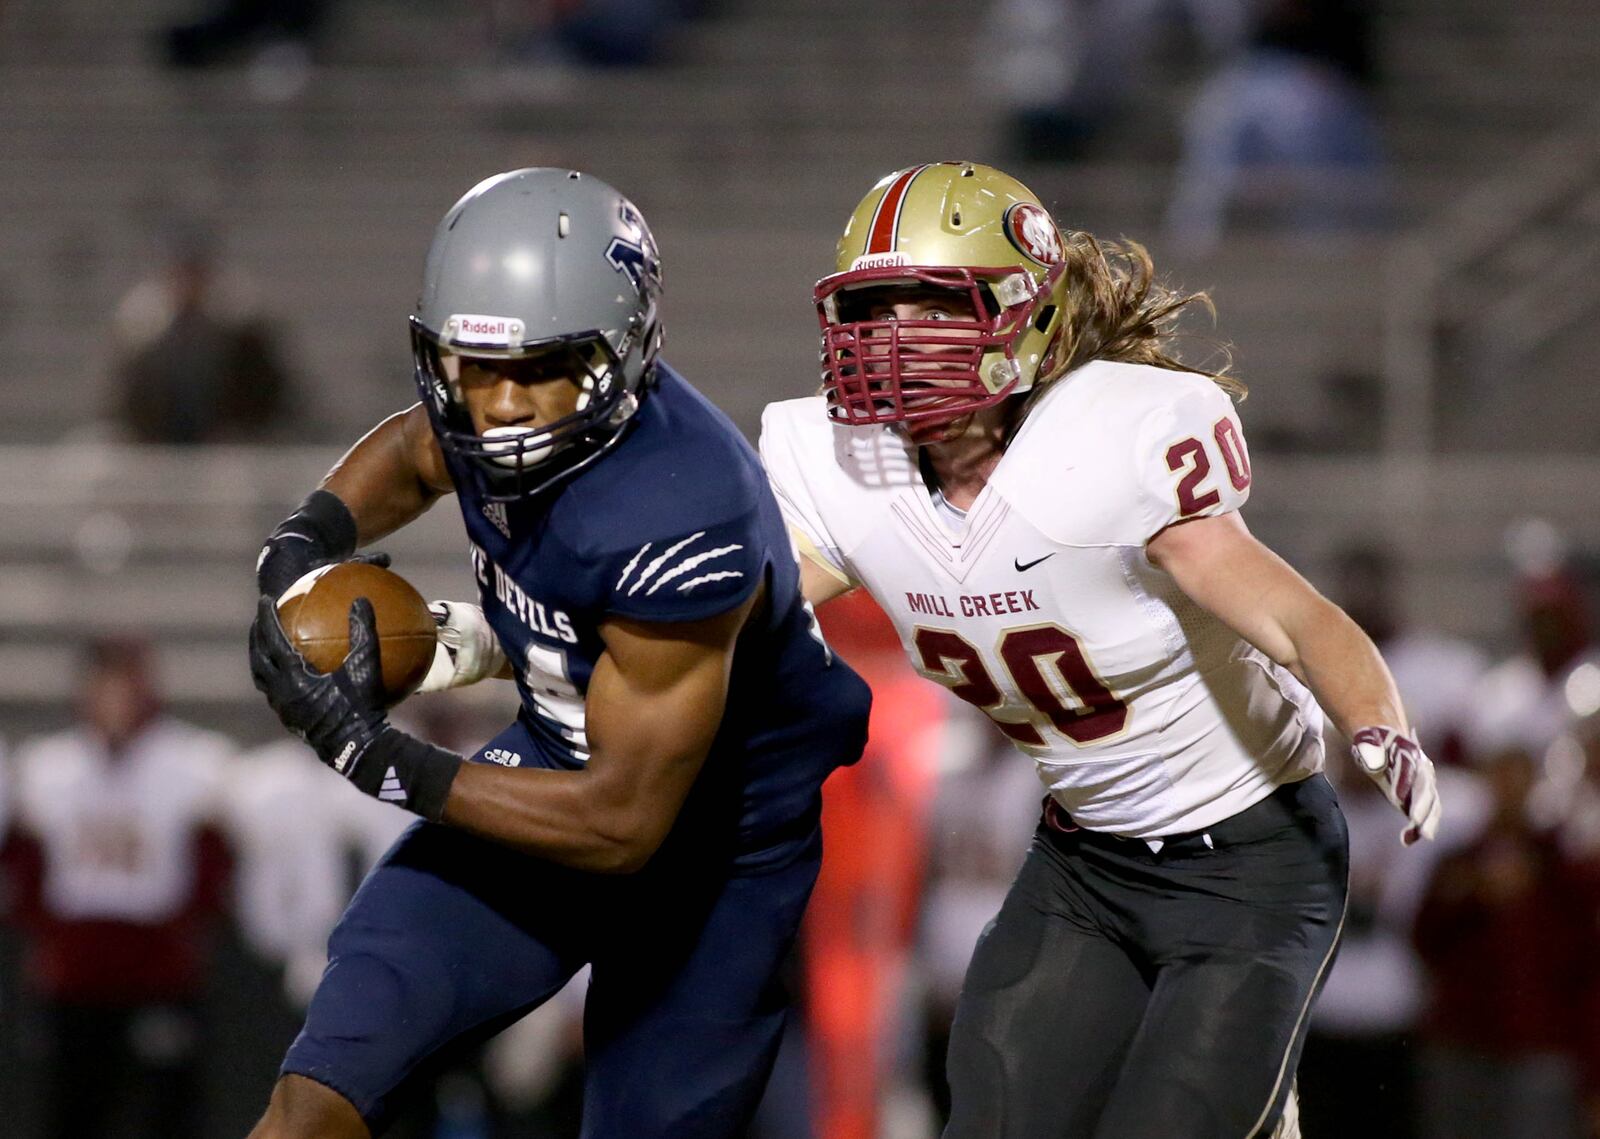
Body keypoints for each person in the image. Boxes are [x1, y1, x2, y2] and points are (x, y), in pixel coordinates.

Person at [757, 160, 1442, 1137]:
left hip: (1249, 862)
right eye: (875, 308)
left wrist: (1378, 719)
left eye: (931, 307)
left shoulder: (1110, 441)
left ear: (1021, 315)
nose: (895, 340)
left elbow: (1297, 616)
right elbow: (719, 610)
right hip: (1084, 865)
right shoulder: (844, 472)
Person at [243, 167, 870, 1139]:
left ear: (622, 352)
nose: (497, 405)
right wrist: (302, 539)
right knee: (318, 1090)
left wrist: (383, 757)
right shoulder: (495, 410)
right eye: (473, 365)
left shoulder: (683, 508)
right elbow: (417, 451)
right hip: (555, 765)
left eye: (535, 369)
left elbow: (622, 824)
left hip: (713, 849)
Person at [4, 635, 234, 1139]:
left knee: (165, 1111)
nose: (114, 700)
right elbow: (23, 874)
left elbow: (215, 869)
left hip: (158, 966)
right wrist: (47, 937)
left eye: (125, 685)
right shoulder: (47, 768)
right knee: (70, 1109)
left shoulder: (193, 764)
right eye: (104, 685)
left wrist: (186, 933)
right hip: (73, 971)